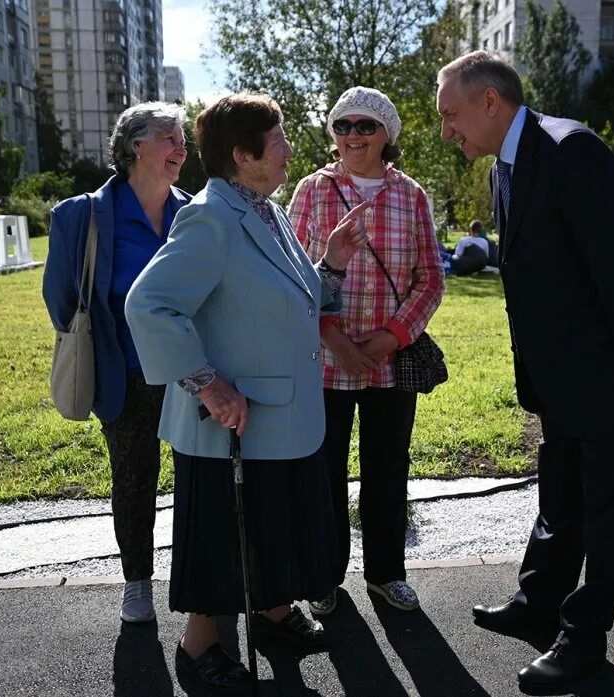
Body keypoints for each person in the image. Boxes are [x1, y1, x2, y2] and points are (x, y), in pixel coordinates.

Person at [436, 51, 614, 689]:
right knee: (560, 498)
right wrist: (533, 382)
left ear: (491, 101)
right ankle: (539, 603)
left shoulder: (571, 151)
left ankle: (583, 639)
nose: (445, 130)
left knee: (608, 513)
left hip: (610, 378)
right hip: (558, 380)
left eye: (450, 115)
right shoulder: (504, 171)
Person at [124, 93, 370, 694]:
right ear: (242, 154)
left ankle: (274, 613)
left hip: (278, 415)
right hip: (228, 423)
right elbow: (149, 304)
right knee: (217, 535)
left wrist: (331, 266)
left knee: (272, 523)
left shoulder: (267, 211)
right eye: (279, 138)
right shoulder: (211, 216)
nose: (290, 149)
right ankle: (199, 643)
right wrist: (208, 386)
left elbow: (295, 299)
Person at [288, 86, 445, 616]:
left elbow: (431, 280)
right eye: (343, 125)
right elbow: (291, 277)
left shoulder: (412, 195)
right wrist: (331, 335)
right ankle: (325, 575)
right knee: (324, 470)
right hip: (325, 359)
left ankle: (385, 574)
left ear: (387, 136)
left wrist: (391, 337)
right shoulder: (312, 190)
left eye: (366, 126)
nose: (353, 135)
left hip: (389, 360)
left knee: (387, 470)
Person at [42, 102, 192, 624]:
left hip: (189, 375)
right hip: (122, 375)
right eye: (171, 137)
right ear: (135, 146)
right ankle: (137, 584)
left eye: (184, 139)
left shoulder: (192, 212)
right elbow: (62, 300)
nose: (182, 147)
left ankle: (197, 583)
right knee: (133, 481)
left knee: (198, 480)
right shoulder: (80, 216)